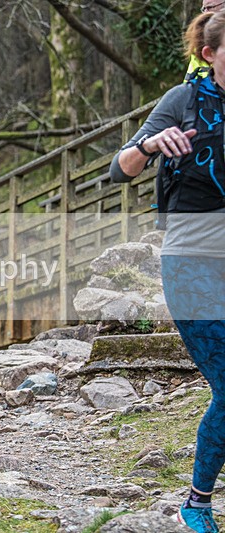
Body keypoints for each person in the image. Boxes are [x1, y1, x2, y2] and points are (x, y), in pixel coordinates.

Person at [109, 11, 225, 533]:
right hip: (193, 265)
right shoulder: (183, 101)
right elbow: (120, 168)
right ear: (209, 54)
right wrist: (149, 145)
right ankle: (196, 505)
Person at [186, 1, 225, 81]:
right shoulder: (199, 43)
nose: (205, 13)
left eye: (209, 7)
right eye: (204, 9)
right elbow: (189, 80)